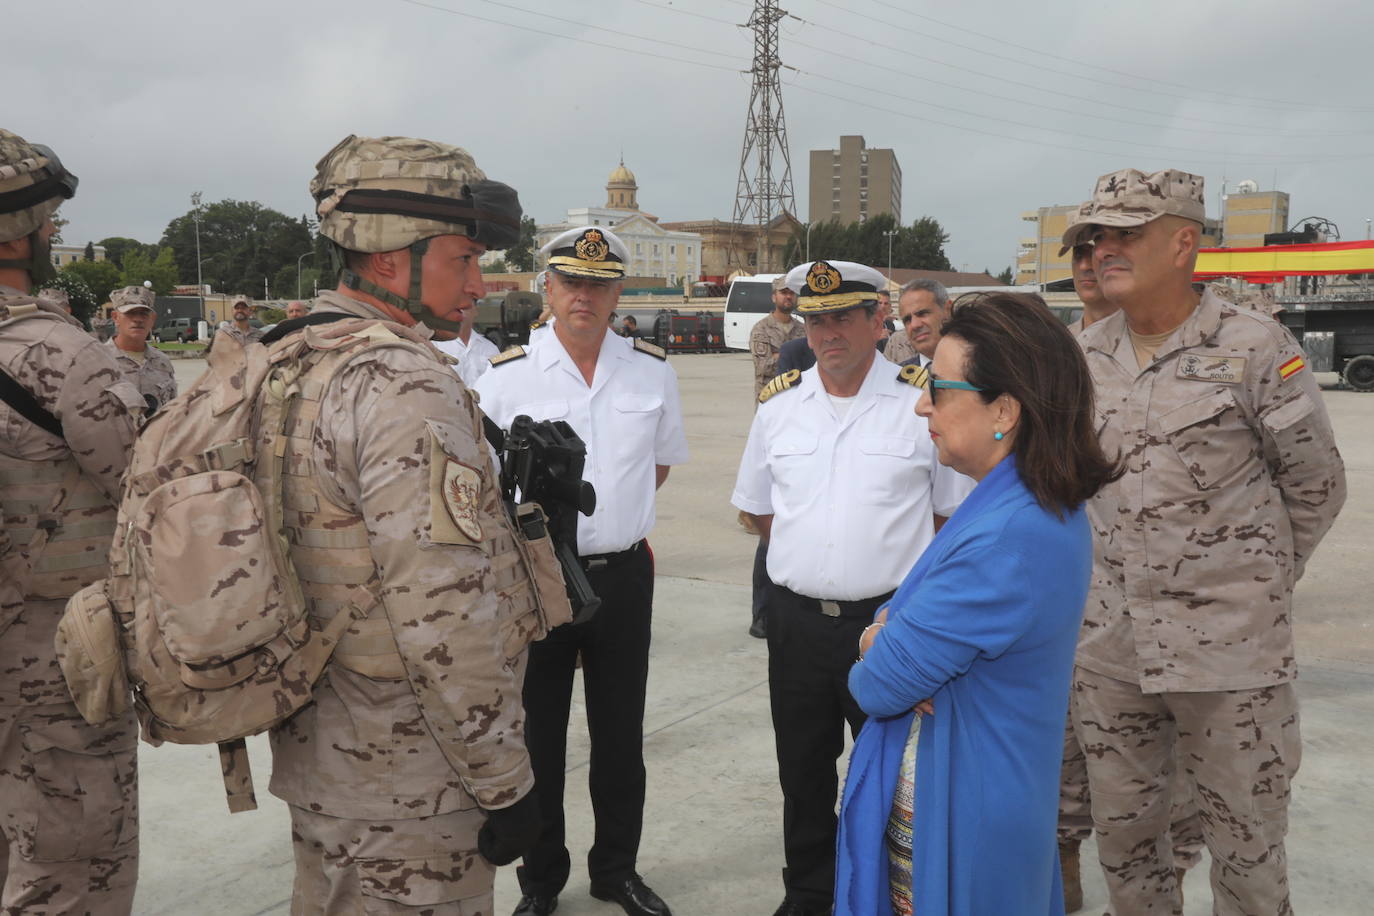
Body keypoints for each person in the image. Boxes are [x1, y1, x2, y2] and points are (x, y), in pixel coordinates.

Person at [264, 133, 545, 914]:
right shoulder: (403, 386)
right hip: (412, 785)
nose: (480, 283)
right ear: (390, 258)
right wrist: (503, 781)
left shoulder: (289, 356)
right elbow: (442, 612)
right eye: (464, 259)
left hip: (325, 759)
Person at [1062, 168, 1347, 916]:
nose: (1105, 250)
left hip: (1231, 662)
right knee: (1128, 853)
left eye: (1128, 233)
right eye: (1098, 236)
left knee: (1247, 854)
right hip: (1113, 656)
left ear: (1184, 242)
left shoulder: (1254, 346)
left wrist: (1249, 589)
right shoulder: (1082, 356)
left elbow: (1316, 484)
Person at [836, 291, 1120, 915]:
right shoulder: (1017, 504)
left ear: (1005, 410)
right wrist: (897, 634)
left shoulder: (1008, 537)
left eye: (938, 389)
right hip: (981, 790)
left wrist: (872, 637)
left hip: (966, 814)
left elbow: (878, 686)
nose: (920, 405)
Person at [731, 259, 971, 916]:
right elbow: (758, 509)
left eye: (842, 318)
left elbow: (951, 517)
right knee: (802, 772)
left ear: (877, 320)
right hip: (797, 623)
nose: (827, 332)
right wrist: (817, 559)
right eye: (815, 320)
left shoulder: (921, 401)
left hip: (890, 627)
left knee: (897, 777)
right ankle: (809, 894)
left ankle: (890, 897)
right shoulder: (780, 405)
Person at [475, 226, 689, 916]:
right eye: (571, 282)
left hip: (623, 576)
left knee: (621, 736)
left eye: (599, 284)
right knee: (538, 738)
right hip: (536, 581)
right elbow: (484, 486)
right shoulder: (504, 378)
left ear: (618, 291)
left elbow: (654, 469)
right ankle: (541, 882)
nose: (584, 296)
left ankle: (615, 870)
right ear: (548, 288)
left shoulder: (652, 370)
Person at [0, 128, 144, 913]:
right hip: (52, 672)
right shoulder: (61, 355)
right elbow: (144, 488)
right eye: (47, 221)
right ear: (18, 233)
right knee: (73, 875)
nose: (54, 233)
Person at [1054, 233, 1203, 912]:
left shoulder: (1211, 343)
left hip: (1170, 623)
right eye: (1080, 254)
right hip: (1070, 606)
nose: (1090, 265)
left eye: (1101, 251)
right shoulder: (1060, 357)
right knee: (1060, 769)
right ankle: (1062, 883)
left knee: (1161, 791)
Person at [106, 284, 177, 413]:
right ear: (115, 317)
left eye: (144, 314)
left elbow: (172, 411)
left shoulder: (163, 362)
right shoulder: (99, 360)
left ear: (153, 319)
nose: (138, 319)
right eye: (130, 313)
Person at [749, 274, 804, 397]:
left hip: (797, 396)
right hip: (770, 396)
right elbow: (763, 368)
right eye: (784, 292)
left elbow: (809, 364)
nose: (788, 296)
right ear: (774, 297)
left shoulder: (803, 329)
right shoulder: (761, 329)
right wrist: (792, 356)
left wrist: (777, 355)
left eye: (792, 293)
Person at [431, 290, 499, 388]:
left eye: (464, 305)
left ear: (475, 310)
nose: (460, 310)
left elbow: (496, 384)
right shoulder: (434, 345)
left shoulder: (489, 348)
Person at [888, 277, 950, 367]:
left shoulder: (976, 368)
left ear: (947, 310)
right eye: (907, 320)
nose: (914, 325)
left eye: (922, 313)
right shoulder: (895, 377)